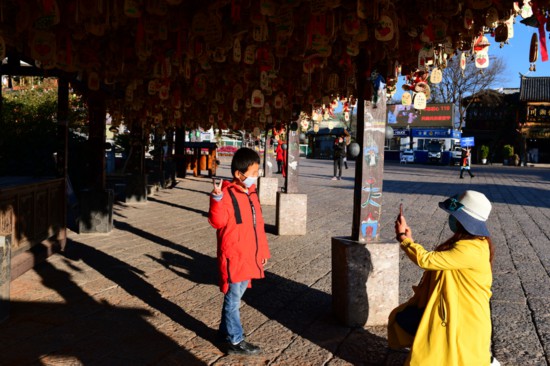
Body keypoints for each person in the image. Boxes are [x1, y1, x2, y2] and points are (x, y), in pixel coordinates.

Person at [389, 190, 496, 366]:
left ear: (463, 221)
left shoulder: (471, 249)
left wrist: (403, 238)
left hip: (463, 313)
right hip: (457, 308)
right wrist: (409, 239)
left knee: (450, 350)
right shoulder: (474, 242)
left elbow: (427, 260)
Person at [208, 148, 271, 355]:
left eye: (256, 172)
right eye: (253, 173)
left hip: (249, 254)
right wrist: (216, 200)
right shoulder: (226, 194)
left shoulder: (252, 194)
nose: (256, 177)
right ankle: (235, 340)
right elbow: (217, 222)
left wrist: (262, 252)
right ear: (239, 174)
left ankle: (224, 333)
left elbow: (258, 225)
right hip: (234, 255)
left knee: (235, 296)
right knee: (233, 298)